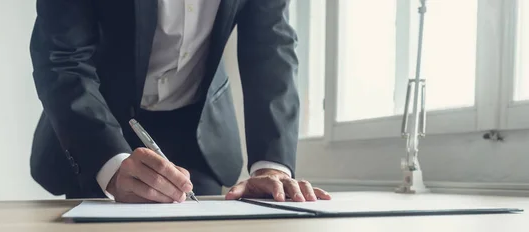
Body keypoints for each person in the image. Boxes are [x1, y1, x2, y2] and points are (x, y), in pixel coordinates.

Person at [29, 0, 331, 203]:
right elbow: (62, 57)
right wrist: (112, 164)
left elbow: (271, 45)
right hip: (99, 129)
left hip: (198, 136)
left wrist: (271, 167)